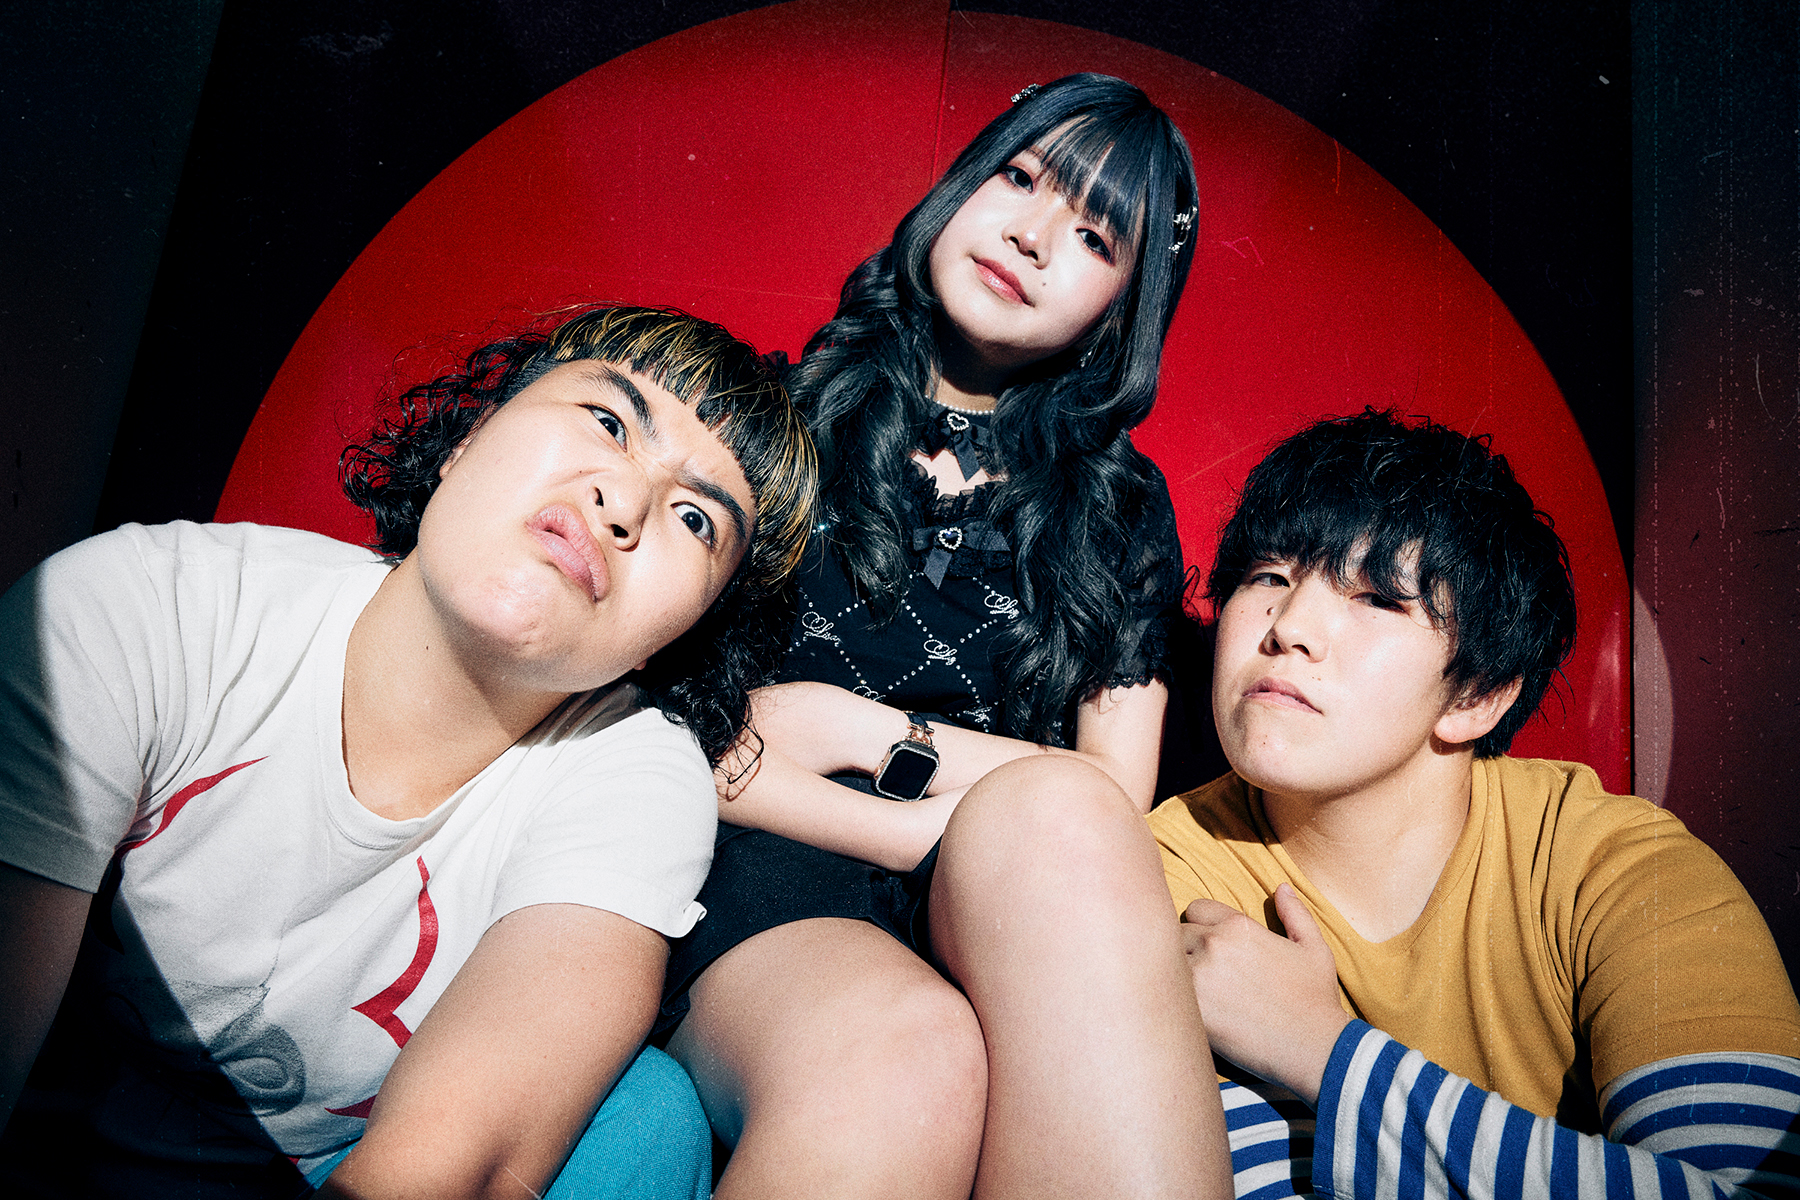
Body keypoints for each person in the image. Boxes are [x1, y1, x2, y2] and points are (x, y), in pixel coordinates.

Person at [0, 305, 816, 1199]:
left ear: (676, 636)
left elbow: (440, 1172)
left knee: (647, 1115)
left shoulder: (639, 777)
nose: (624, 503)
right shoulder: (148, 610)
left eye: (697, 519)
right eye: (609, 422)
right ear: (467, 441)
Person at [657, 74, 1232, 1199]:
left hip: (996, 892)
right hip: (762, 877)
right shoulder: (772, 416)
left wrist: (855, 732)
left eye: (1094, 237)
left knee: (1064, 824)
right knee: (908, 1054)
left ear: (1125, 305)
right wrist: (931, 818)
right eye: (1018, 178)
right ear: (962, 183)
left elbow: (1104, 806)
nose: (1032, 235)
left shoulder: (1120, 509)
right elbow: (687, 737)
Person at [1152, 408, 1800, 1197]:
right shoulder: (1155, 877)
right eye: (1269, 578)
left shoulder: (1617, 870)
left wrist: (1322, 1051)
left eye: (1377, 597)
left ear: (1478, 696)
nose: (1289, 627)